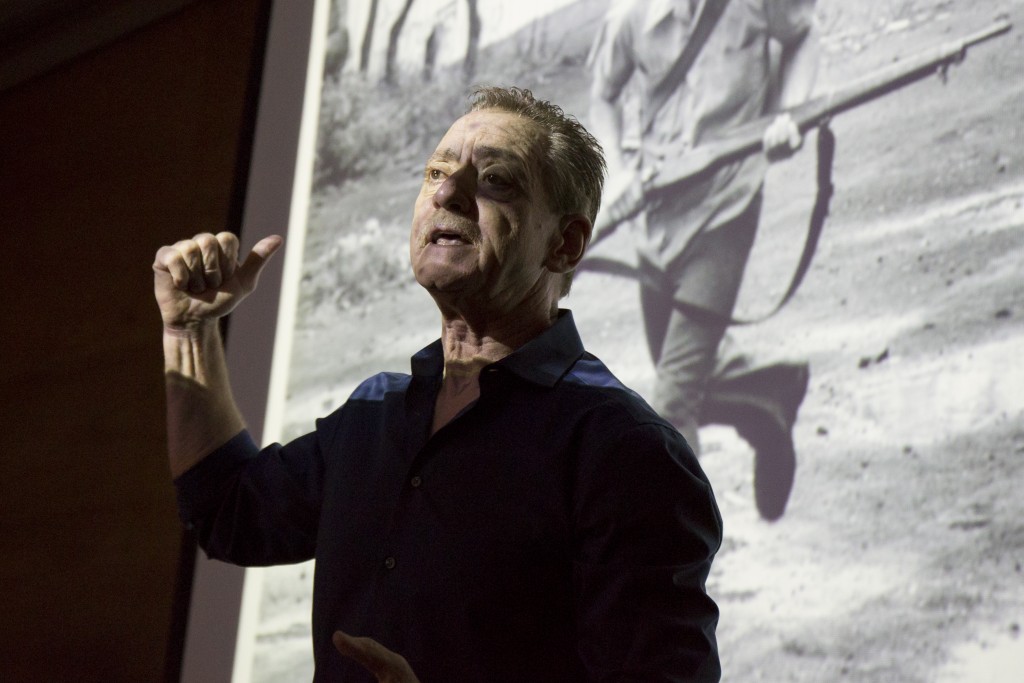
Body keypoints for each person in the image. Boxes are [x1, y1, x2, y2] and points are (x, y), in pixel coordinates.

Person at [154, 86, 723, 682]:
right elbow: (231, 511)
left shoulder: (625, 451)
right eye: (436, 172)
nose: (448, 192)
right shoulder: (377, 413)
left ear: (565, 243)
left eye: (497, 180)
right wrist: (189, 330)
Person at [588, 0, 821, 520]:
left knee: (672, 403)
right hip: (661, 215)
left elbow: (804, 37)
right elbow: (603, 96)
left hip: (728, 207)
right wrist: (620, 171)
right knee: (691, 382)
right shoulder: (630, 17)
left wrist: (789, 112)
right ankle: (770, 399)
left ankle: (671, 568)